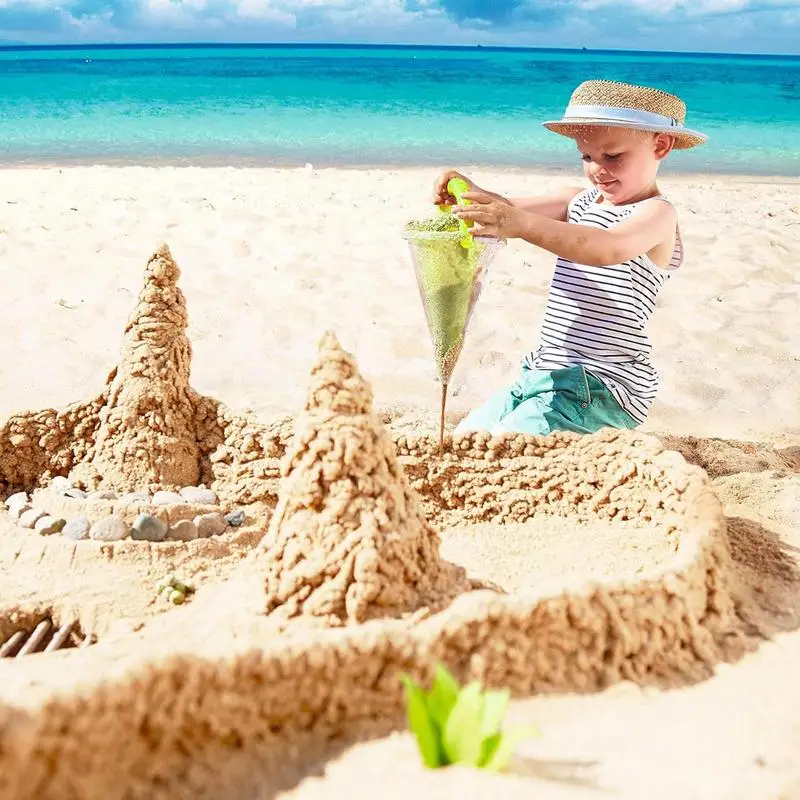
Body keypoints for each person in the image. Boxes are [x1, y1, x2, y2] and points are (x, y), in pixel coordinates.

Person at [435, 79, 707, 437]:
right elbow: (504, 208)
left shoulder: (657, 215)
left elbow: (606, 248)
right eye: (587, 156)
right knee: (468, 437)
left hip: (602, 387)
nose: (597, 169)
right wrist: (468, 191)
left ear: (660, 145)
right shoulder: (577, 201)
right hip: (543, 373)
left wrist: (521, 225)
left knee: (507, 446)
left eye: (612, 156)